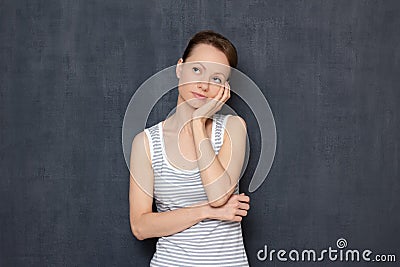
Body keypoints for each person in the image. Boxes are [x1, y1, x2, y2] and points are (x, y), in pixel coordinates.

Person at [129, 30, 251, 266]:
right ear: (179, 68)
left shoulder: (233, 127)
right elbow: (140, 227)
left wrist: (196, 122)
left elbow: (218, 196)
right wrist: (206, 212)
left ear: (224, 87)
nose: (204, 85)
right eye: (197, 70)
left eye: (216, 79)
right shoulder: (145, 143)